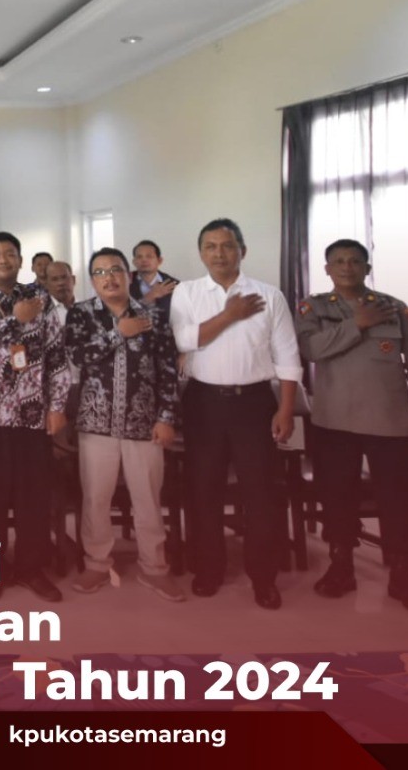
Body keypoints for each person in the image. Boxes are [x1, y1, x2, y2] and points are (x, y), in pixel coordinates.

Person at [296, 239, 408, 615]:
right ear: (327, 269)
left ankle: (404, 577)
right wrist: (356, 324)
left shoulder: (395, 308)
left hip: (390, 422)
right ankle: (341, 568)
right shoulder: (314, 308)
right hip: (335, 422)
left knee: (399, 500)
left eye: (354, 261)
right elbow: (310, 350)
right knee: (337, 497)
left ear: (367, 267)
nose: (347, 267)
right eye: (338, 262)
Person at [169, 218, 300, 611]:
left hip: (254, 403)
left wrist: (286, 409)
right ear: (201, 253)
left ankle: (264, 577)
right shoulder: (187, 293)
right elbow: (184, 340)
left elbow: (287, 355)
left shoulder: (269, 295)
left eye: (227, 245)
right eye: (210, 246)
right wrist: (230, 315)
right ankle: (208, 570)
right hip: (203, 403)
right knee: (203, 491)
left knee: (261, 494)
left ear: (242, 250)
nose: (219, 253)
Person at [50, 248, 185, 602]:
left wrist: (166, 417)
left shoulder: (153, 315)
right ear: (92, 280)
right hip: (96, 424)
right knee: (95, 498)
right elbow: (76, 356)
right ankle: (97, 563)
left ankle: (155, 567)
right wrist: (117, 333)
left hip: (144, 425)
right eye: (99, 272)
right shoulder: (82, 314)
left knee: (148, 499)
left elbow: (167, 370)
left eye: (115, 270)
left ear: (128, 275)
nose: (108, 277)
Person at [0, 232, 65, 603]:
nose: (2, 260)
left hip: (32, 415)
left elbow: (57, 355)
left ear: (20, 260)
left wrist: (57, 406)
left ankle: (32, 568)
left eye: (9, 254)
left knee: (33, 497)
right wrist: (14, 321)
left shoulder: (41, 298)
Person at [129, 240, 179, 315]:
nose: (144, 260)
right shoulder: (124, 283)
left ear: (159, 260)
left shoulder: (175, 285)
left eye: (149, 256)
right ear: (134, 262)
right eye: (139, 257)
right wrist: (149, 297)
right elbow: (121, 314)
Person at [44, 261, 77, 327]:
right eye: (55, 279)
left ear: (73, 280)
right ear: (46, 285)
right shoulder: (40, 314)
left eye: (64, 277)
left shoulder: (87, 308)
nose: (61, 283)